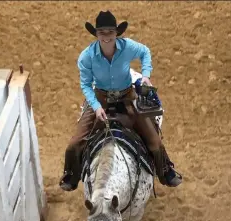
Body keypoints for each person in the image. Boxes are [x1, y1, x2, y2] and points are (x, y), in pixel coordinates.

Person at [59, 10, 182, 191]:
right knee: (74, 144)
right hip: (100, 98)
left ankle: (165, 170)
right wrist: (96, 106)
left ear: (117, 33)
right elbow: (85, 85)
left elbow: (145, 52)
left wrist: (146, 75)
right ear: (96, 34)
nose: (106, 37)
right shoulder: (86, 56)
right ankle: (72, 174)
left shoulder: (128, 47)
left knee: (154, 142)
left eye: (110, 32)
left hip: (127, 95)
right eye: (102, 33)